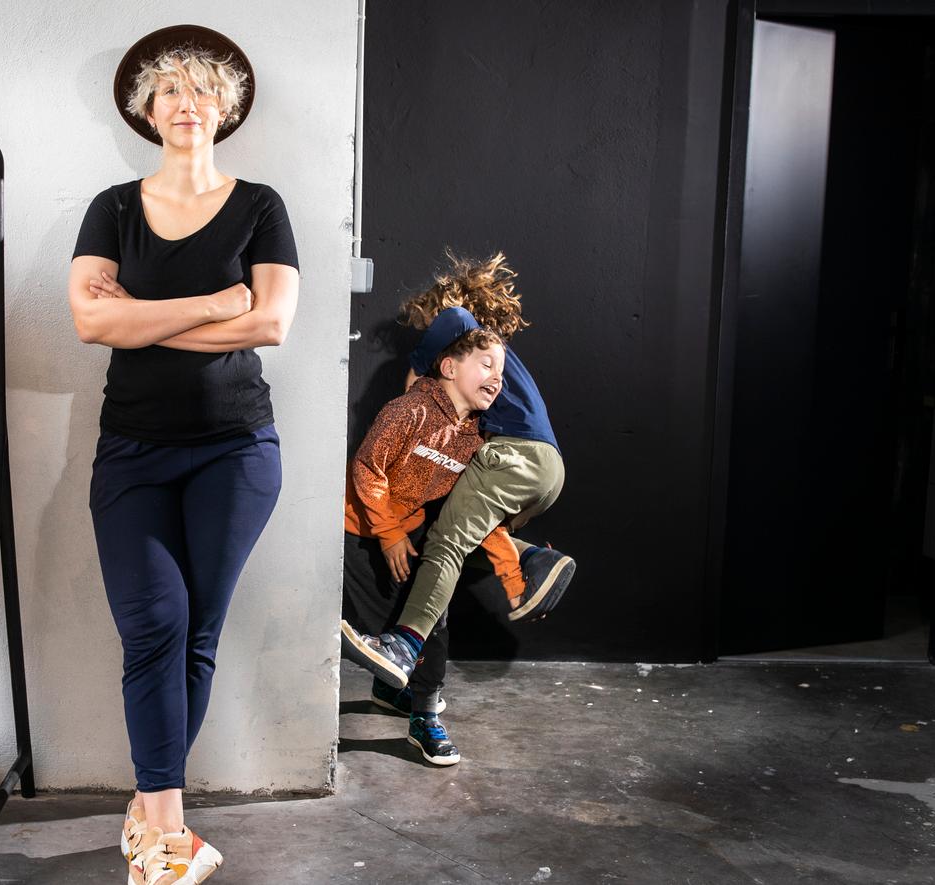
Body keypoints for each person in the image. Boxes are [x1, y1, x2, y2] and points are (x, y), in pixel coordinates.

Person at [67, 27, 298, 885]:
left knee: (195, 633)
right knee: (154, 625)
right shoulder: (113, 208)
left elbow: (272, 322)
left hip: (236, 451)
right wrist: (213, 303)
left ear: (226, 108)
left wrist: (147, 313)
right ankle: (164, 832)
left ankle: (156, 822)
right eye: (169, 92)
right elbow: (92, 322)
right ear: (146, 110)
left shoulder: (261, 205)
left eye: (203, 91)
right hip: (130, 453)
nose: (187, 104)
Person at [341, 252, 574, 692]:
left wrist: (417, 369)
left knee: (445, 546)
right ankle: (528, 561)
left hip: (514, 456)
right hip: (543, 466)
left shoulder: (467, 332)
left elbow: (453, 319)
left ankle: (403, 646)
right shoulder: (490, 377)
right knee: (456, 527)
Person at [342, 320, 505, 765]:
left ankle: (423, 714)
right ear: (450, 367)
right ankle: (390, 686)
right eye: (486, 364)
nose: (497, 377)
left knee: (433, 614)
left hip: (409, 533)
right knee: (351, 625)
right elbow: (367, 468)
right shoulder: (408, 410)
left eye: (502, 373)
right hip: (357, 532)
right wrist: (390, 534)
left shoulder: (474, 436)